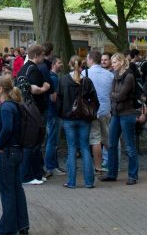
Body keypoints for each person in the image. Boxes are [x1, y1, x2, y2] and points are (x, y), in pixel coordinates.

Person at [0, 75, 29, 235]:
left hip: (7, 151)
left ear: (1, 89)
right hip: (17, 150)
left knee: (7, 189)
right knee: (16, 187)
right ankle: (22, 223)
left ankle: (8, 226)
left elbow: (6, 129)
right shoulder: (13, 105)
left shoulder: (6, 107)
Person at [58, 56, 97, 188]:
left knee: (72, 149)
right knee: (85, 148)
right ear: (82, 65)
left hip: (68, 118)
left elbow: (59, 100)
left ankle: (71, 181)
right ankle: (89, 182)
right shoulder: (87, 81)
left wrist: (61, 114)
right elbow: (95, 101)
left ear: (69, 64)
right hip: (84, 118)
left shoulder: (63, 80)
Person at [103, 53, 140, 184]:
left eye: (114, 62)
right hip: (116, 114)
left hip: (127, 114)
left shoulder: (129, 76)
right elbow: (112, 94)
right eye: (112, 62)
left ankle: (133, 175)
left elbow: (121, 96)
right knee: (111, 144)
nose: (112, 65)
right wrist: (115, 95)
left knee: (129, 146)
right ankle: (112, 173)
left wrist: (115, 95)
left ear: (121, 62)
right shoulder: (115, 76)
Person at [17, 43, 51, 185]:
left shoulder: (24, 69)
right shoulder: (33, 69)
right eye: (42, 54)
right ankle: (29, 175)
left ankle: (36, 173)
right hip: (33, 111)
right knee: (33, 144)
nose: (44, 57)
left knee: (34, 144)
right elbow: (34, 89)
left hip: (27, 110)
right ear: (37, 55)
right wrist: (45, 87)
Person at [84, 49, 114, 176]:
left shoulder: (85, 73)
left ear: (90, 59)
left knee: (95, 139)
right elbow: (112, 92)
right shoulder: (109, 74)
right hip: (106, 109)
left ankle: (98, 167)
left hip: (92, 111)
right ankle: (113, 165)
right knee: (108, 139)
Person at [42, 54, 63, 176]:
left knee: (52, 140)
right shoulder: (54, 78)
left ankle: (54, 165)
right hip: (53, 112)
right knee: (52, 141)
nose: (61, 65)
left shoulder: (50, 77)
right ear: (54, 64)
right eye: (59, 63)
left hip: (50, 112)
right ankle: (51, 166)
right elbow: (53, 97)